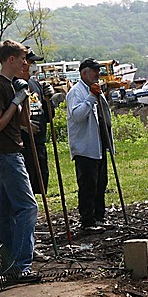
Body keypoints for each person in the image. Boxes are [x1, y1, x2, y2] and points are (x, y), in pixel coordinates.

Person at [0, 40, 40, 282]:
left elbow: (22, 123)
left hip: (13, 151)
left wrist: (24, 97)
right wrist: (15, 101)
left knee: (8, 213)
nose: (24, 63)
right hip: (6, 154)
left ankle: (8, 263)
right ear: (10, 59)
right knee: (28, 208)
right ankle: (21, 265)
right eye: (22, 59)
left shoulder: (11, 86)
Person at [65, 57, 115, 234]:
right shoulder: (76, 92)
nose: (98, 74)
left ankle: (99, 217)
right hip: (85, 148)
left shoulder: (95, 90)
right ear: (84, 73)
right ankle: (87, 220)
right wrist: (91, 98)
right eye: (95, 71)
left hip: (99, 145)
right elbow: (77, 115)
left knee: (101, 183)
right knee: (88, 185)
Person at [19, 48, 57, 194]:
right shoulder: (14, 84)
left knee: (39, 185)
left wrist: (49, 100)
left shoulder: (36, 84)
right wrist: (23, 126)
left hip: (39, 143)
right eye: (31, 62)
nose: (34, 66)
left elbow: (48, 116)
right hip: (24, 145)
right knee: (25, 189)